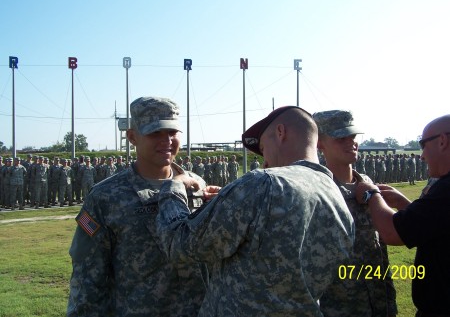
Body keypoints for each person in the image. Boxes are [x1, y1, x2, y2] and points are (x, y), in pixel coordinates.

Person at [156, 106, 355, 316]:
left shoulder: (263, 183)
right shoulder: (336, 196)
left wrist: (173, 187)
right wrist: (229, 200)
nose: (265, 161)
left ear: (280, 132)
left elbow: (180, 244)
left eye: (263, 148)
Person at [67, 96, 208, 317]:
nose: (167, 140)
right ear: (132, 137)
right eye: (155, 133)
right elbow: (87, 277)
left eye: (172, 132)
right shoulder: (106, 196)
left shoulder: (197, 186)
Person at [356, 114, 450, 316]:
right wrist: (402, 203)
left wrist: (371, 193)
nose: (422, 155)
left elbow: (393, 233)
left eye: (423, 144)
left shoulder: (446, 189)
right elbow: (433, 224)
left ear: (442, 141)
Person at [313, 110, 397, 317]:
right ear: (319, 143)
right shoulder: (316, 190)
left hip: (381, 302)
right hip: (340, 307)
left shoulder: (368, 184)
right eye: (341, 138)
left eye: (352, 136)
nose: (351, 142)